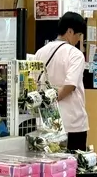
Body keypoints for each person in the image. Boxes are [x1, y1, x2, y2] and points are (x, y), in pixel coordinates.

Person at [33, 12, 89, 152]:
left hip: (46, 121)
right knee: (73, 165)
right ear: (70, 31)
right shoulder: (75, 54)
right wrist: (53, 100)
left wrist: (46, 102)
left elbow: (34, 82)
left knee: (50, 165)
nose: (78, 39)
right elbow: (70, 85)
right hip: (72, 122)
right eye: (79, 35)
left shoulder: (40, 52)